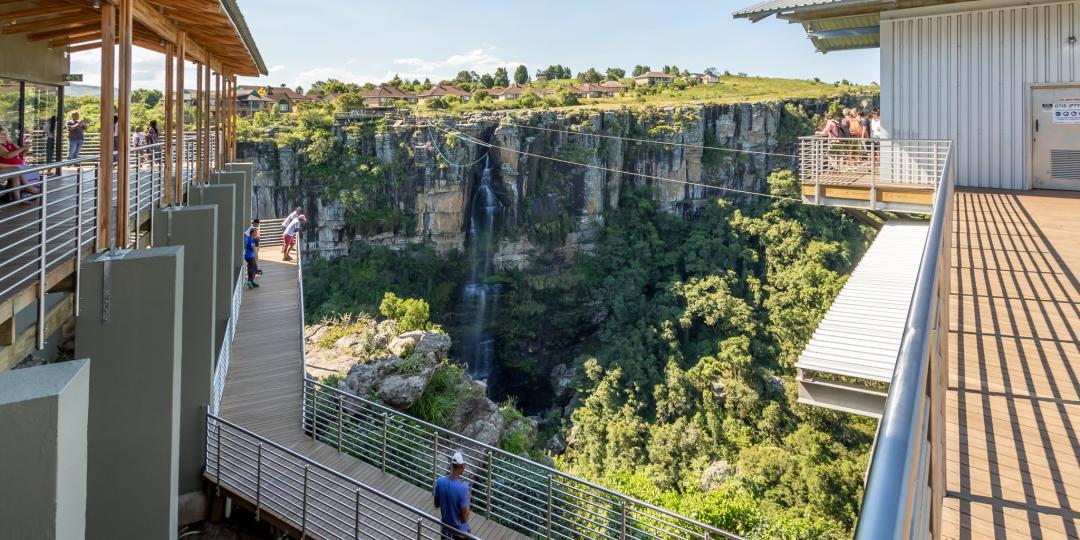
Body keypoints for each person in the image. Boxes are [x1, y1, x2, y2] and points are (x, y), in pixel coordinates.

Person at [434, 452, 471, 539]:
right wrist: (468, 498)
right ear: (462, 466)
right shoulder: (463, 488)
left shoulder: (440, 481)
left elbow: (436, 504)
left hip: (445, 531)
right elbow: (464, 519)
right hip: (460, 533)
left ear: (451, 465)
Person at [0, 128, 37, 203]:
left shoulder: (10, 143)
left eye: (4, 134)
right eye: (1, 134)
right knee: (16, 169)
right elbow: (7, 156)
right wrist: (22, 148)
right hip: (6, 167)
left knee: (16, 172)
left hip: (16, 166)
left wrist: (26, 148)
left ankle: (18, 198)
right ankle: (27, 188)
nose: (3, 136)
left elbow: (21, 153)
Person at [244, 219, 261, 289]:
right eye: (255, 232)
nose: (256, 233)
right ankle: (250, 281)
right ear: (252, 233)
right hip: (249, 256)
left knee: (252, 268)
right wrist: (256, 254)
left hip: (249, 256)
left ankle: (251, 281)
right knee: (253, 268)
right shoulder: (251, 239)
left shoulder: (249, 238)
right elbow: (253, 247)